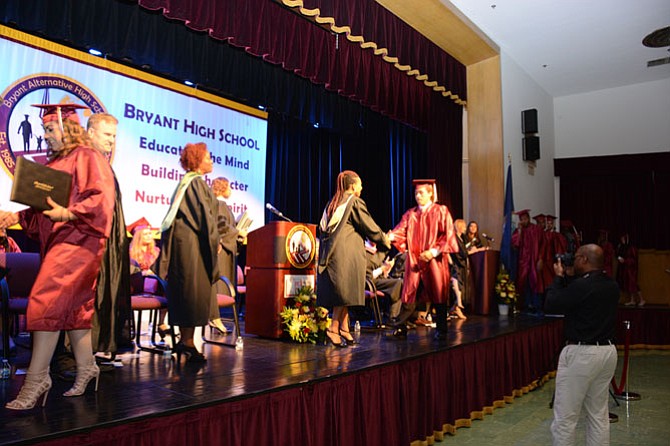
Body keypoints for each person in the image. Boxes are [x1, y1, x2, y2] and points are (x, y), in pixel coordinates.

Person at [1, 103, 115, 410]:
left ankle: (37, 379)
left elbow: (101, 199)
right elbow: (43, 206)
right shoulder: (59, 161)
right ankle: (88, 367)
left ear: (68, 128)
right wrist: (14, 216)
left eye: (50, 129)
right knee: (75, 310)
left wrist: (69, 212)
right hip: (61, 241)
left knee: (46, 300)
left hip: (80, 242)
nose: (46, 135)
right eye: (45, 130)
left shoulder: (87, 156)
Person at [545, 244, 619, 446]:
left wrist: (559, 277)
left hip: (581, 354)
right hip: (607, 352)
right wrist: (570, 278)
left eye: (576, 257)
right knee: (598, 415)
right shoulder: (611, 285)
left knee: (565, 419)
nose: (573, 261)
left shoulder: (582, 286)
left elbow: (552, 303)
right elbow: (580, 298)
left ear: (585, 260)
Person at [158, 142, 219, 363]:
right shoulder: (195, 184)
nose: (212, 161)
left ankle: (187, 342)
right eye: (208, 157)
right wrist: (215, 240)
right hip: (192, 248)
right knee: (190, 294)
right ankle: (187, 342)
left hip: (189, 246)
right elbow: (205, 219)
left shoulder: (190, 183)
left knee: (190, 294)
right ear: (197, 160)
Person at [316, 170, 390, 347]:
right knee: (343, 294)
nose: (362, 187)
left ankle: (344, 328)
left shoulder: (332, 203)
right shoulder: (354, 202)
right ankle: (333, 329)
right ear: (353, 185)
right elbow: (368, 226)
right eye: (360, 184)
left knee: (345, 292)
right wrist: (384, 239)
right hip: (346, 256)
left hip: (332, 254)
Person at [388, 179, 459, 340]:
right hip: (414, 260)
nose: (418, 196)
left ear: (430, 193)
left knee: (439, 295)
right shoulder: (411, 214)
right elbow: (400, 231)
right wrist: (390, 236)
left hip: (434, 261)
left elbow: (447, 235)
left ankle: (441, 330)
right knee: (409, 294)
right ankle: (401, 328)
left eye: (421, 193)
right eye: (416, 193)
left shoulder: (441, 211)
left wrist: (433, 252)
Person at [86, 113, 132, 355]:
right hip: (91, 243)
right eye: (107, 135)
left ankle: (100, 347)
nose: (112, 140)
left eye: (114, 136)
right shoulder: (85, 161)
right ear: (90, 132)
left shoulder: (102, 163)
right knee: (91, 298)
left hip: (108, 242)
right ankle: (85, 352)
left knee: (104, 295)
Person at [210, 177, 247, 335]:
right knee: (220, 285)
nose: (231, 189)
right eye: (229, 186)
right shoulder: (220, 204)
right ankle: (215, 318)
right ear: (223, 187)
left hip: (223, 249)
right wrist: (239, 232)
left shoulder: (219, 204)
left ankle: (215, 318)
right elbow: (222, 227)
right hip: (221, 251)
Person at [128, 221, 169, 339]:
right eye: (145, 234)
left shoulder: (156, 251)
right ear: (138, 236)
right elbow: (132, 272)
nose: (149, 236)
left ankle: (161, 322)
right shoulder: (131, 252)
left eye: (150, 234)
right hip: (140, 282)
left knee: (167, 284)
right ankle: (161, 323)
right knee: (163, 284)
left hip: (156, 281)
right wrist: (146, 272)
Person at [512, 209, 544, 314]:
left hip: (534, 259)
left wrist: (540, 259)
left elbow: (542, 245)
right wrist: (520, 231)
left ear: (529, 218)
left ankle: (536, 305)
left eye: (526, 219)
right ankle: (526, 305)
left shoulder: (537, 229)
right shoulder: (519, 230)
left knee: (535, 281)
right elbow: (516, 244)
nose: (524, 221)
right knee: (523, 282)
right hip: (523, 261)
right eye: (522, 219)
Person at [365, 240, 402, 322]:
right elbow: (367, 276)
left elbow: (383, 273)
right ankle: (393, 317)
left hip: (380, 280)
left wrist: (387, 269)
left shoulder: (377, 251)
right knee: (399, 284)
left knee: (402, 283)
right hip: (370, 282)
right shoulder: (364, 251)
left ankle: (396, 317)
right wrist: (382, 269)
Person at [616, 233, 644, 307]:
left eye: (623, 239)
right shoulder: (623, 247)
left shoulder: (632, 248)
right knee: (629, 285)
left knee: (633, 284)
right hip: (626, 269)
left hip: (631, 269)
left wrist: (625, 261)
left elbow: (633, 260)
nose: (621, 240)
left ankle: (642, 299)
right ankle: (632, 300)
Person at [449, 219, 468, 320]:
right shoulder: (454, 238)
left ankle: (455, 308)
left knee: (461, 286)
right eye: (464, 226)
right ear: (459, 226)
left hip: (461, 264)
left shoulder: (462, 238)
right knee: (457, 283)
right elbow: (455, 252)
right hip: (456, 263)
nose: (465, 228)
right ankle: (457, 305)